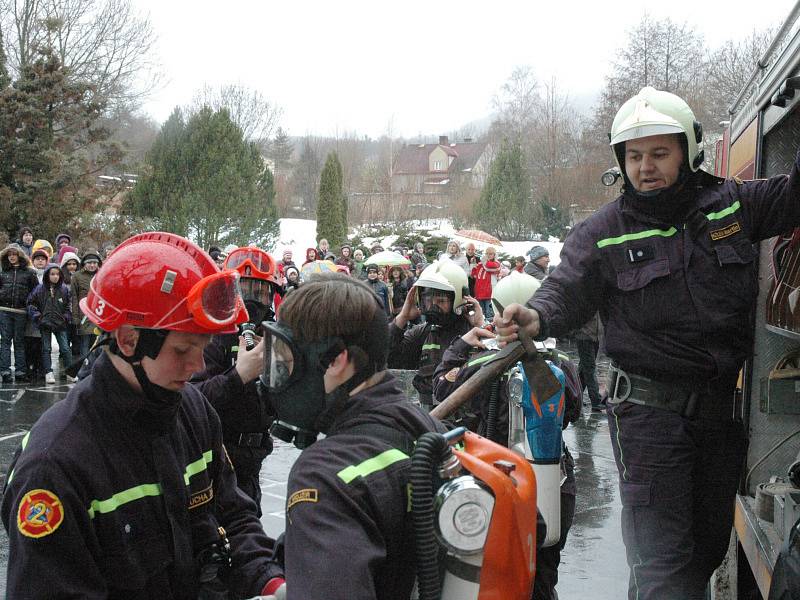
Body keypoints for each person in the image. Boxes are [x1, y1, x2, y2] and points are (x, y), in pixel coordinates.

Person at [494, 86, 800, 600]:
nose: (646, 167)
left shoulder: (732, 208)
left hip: (720, 419)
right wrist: (535, 316)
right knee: (664, 568)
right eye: (634, 156)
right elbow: (564, 291)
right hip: (649, 420)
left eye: (660, 153)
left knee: (704, 554)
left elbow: (793, 197)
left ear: (688, 152)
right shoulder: (602, 233)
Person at [1, 232, 284, 598]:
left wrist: (272, 582)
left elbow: (235, 517)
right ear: (129, 340)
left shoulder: (193, 411)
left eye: (203, 347)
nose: (198, 364)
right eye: (183, 349)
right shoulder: (54, 467)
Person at [261, 273, 445, 598]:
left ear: (336, 360)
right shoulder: (425, 427)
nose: (279, 379)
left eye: (288, 362)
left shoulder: (324, 475)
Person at [433, 271, 581, 600]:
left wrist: (460, 345)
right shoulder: (564, 364)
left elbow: (439, 388)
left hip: (492, 482)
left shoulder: (479, 363)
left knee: (490, 578)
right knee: (542, 577)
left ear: (499, 314)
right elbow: (574, 409)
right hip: (553, 484)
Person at [190, 246, 280, 513]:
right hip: (217, 461)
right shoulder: (214, 336)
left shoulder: (274, 336)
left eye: (260, 292)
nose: (252, 301)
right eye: (245, 290)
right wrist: (239, 375)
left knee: (249, 527)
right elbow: (192, 399)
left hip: (254, 461)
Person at [388, 259, 484, 408]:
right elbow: (387, 356)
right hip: (430, 414)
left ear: (457, 299)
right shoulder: (423, 332)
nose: (433, 306)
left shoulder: (471, 333)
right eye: (428, 300)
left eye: (440, 301)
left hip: (464, 417)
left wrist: (478, 326)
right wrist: (402, 317)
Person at [27, 263, 75, 384]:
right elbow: (31, 303)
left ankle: (70, 372)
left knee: (65, 348)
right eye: (52, 274)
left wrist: (66, 317)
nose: (55, 276)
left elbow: (69, 305)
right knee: (46, 348)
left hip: (60, 323)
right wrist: (38, 317)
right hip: (45, 323)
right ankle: (48, 372)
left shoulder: (64, 289)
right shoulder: (40, 289)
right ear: (47, 275)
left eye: (57, 274)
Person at [0, 243, 38, 383]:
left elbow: (35, 292)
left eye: (14, 254)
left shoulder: (29, 272)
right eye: (9, 255)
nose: (12, 257)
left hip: (21, 312)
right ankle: (4, 371)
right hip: (4, 311)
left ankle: (21, 371)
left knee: (19, 341)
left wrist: (29, 305)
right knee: (5, 341)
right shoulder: (3, 271)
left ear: (19, 256)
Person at [70, 250, 102, 358]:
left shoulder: (102, 274)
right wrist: (75, 317)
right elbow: (74, 297)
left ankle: (94, 368)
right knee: (84, 343)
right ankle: (84, 367)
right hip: (83, 315)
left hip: (98, 314)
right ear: (84, 264)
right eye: (89, 263)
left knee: (97, 343)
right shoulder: (77, 276)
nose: (92, 265)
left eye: (94, 263)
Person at [24, 248, 50, 380]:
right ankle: (30, 367)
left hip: (45, 313)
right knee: (29, 340)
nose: (40, 261)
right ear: (33, 261)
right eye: (37, 259)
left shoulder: (50, 274)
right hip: (30, 312)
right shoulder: (29, 274)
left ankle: (41, 368)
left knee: (42, 342)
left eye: (43, 259)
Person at [571, 312, 604, 411]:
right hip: (584, 335)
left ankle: (575, 399)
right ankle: (596, 401)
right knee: (590, 368)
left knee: (584, 367)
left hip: (595, 335)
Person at [471, 245, 501, 319]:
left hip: (489, 293)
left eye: (490, 254)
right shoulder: (480, 264)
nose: (488, 255)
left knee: (489, 314)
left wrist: (484, 262)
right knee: (481, 314)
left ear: (494, 255)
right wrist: (473, 264)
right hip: (479, 292)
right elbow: (473, 275)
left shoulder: (496, 264)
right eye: (487, 253)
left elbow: (489, 267)